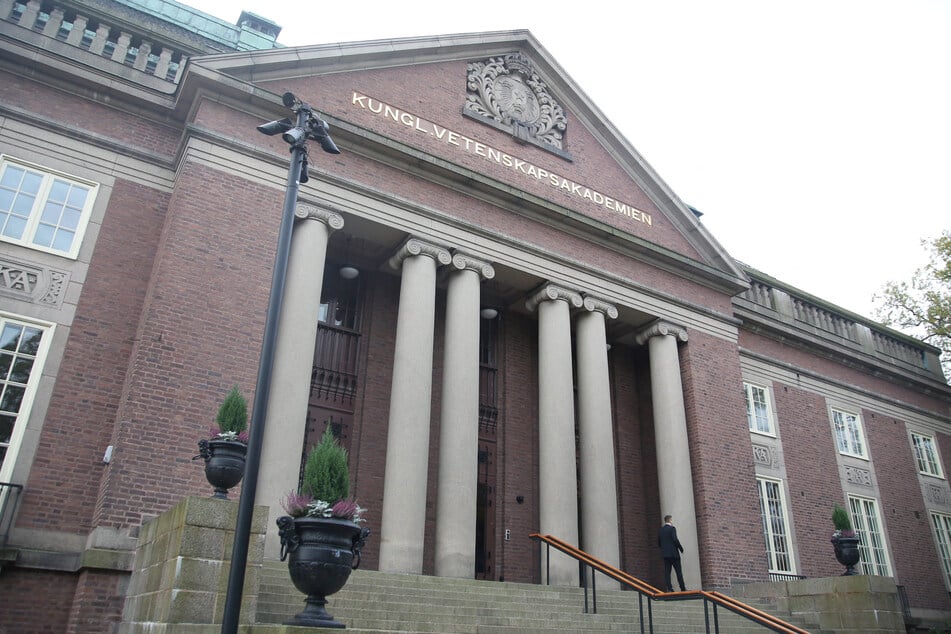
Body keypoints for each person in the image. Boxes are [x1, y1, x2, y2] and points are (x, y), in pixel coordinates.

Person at [657, 514, 686, 592]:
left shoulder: (661, 530)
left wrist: (664, 550)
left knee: (667, 572)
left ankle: (669, 588)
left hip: (665, 555)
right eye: (672, 520)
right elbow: (675, 539)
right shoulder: (672, 529)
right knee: (678, 572)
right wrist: (681, 548)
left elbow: (659, 542)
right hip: (674, 554)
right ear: (670, 520)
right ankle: (682, 588)